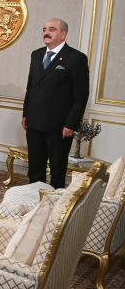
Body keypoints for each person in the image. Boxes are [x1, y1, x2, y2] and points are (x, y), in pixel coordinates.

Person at [22, 18, 89, 189]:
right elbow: (31, 87)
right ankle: (35, 196)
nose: (46, 32)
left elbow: (80, 96)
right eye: (44, 29)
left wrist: (71, 123)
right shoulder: (36, 54)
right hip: (34, 121)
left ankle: (56, 200)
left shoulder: (76, 58)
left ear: (63, 34)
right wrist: (26, 114)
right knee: (35, 166)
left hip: (59, 125)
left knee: (57, 168)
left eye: (52, 29)